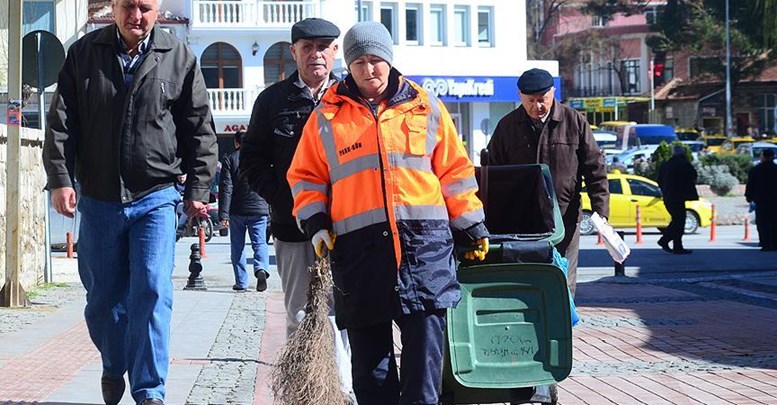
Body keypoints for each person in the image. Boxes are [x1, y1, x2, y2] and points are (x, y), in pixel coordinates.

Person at [287, 21, 489, 404]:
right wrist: (315, 224)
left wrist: (471, 223)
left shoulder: (425, 106)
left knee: (424, 367)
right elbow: (305, 177)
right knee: (372, 371)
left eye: (375, 59)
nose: (369, 70)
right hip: (359, 256)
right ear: (348, 64)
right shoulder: (327, 117)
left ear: (389, 59)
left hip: (423, 254)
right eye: (359, 61)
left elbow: (455, 172)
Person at [42, 0, 218, 403]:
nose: (135, 16)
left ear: (157, 10)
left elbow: (200, 130)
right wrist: (60, 179)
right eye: (127, 6)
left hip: (155, 195)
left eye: (144, 7)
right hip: (100, 198)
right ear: (114, 8)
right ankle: (112, 361)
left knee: (152, 289)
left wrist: (197, 191)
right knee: (103, 298)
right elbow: (61, 123)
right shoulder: (85, 53)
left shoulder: (179, 57)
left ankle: (149, 390)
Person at [238, 18, 356, 398]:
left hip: (349, 225)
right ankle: (304, 392)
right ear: (294, 52)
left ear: (335, 51)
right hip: (293, 228)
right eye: (307, 46)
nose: (316, 53)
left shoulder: (351, 96)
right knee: (300, 314)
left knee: (345, 314)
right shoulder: (272, 102)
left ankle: (341, 389)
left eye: (324, 46)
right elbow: (252, 161)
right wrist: (284, 200)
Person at [486, 68, 608, 297]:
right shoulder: (507, 126)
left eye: (542, 100)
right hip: (521, 222)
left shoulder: (575, 122)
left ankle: (563, 330)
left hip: (565, 217)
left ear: (553, 93)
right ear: (520, 96)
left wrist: (601, 211)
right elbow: (493, 174)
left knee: (563, 279)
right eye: (530, 101)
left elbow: (595, 168)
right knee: (527, 279)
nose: (537, 106)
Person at [219, 130, 271, 292]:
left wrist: (223, 214)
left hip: (237, 210)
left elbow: (227, 188)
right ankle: (261, 268)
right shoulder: (261, 157)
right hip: (259, 209)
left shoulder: (230, 159)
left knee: (237, 246)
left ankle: (241, 282)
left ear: (236, 143)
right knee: (260, 243)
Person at [657, 144, 698, 254]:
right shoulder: (683, 164)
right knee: (679, 222)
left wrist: (666, 191)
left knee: (676, 221)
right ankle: (669, 242)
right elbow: (693, 175)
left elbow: (659, 180)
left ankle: (672, 244)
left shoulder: (666, 165)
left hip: (668, 197)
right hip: (678, 197)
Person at [745, 148, 777, 251]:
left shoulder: (756, 170)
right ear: (773, 156)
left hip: (762, 200)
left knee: (763, 223)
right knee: (775, 223)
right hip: (775, 201)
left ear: (763, 156)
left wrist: (749, 197)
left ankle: (765, 243)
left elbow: (750, 185)